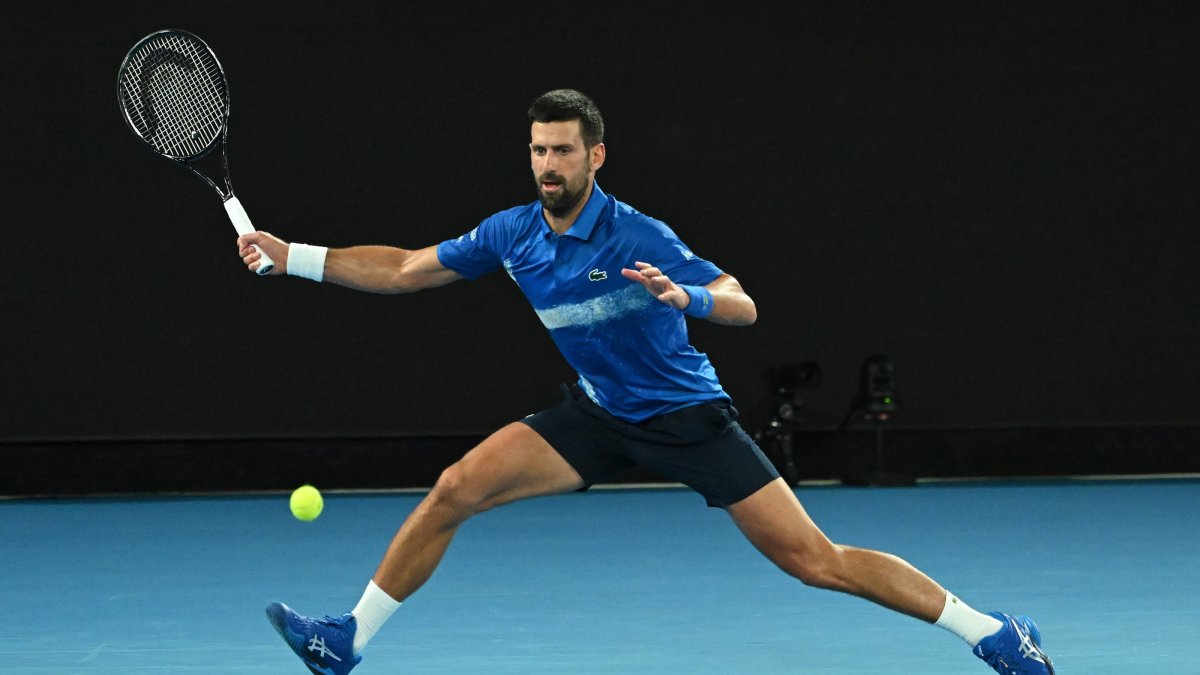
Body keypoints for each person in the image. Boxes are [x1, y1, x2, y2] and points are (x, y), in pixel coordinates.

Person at [239, 89, 1054, 675]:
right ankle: (345, 639)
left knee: (816, 559)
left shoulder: (642, 234)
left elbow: (744, 304)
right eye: (536, 149)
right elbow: (408, 269)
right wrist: (294, 257)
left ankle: (992, 632)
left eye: (561, 150)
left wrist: (683, 295)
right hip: (595, 414)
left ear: (595, 155)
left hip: (688, 415)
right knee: (455, 487)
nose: (547, 164)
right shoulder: (514, 232)